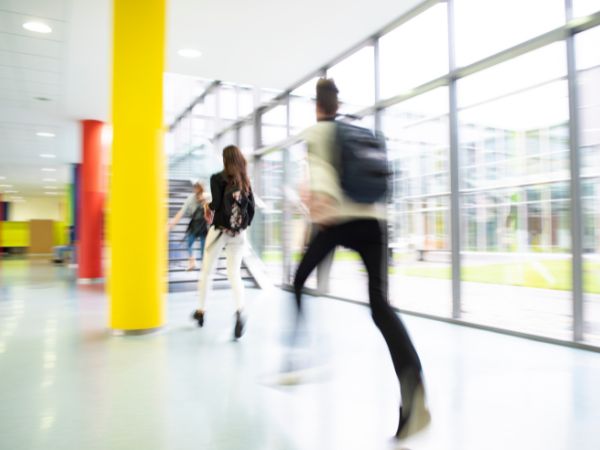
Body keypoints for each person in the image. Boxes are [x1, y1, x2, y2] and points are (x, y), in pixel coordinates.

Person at [292, 78, 430, 440]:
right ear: (337, 103)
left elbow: (318, 187)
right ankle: (414, 392)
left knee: (297, 280)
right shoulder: (358, 131)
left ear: (317, 106)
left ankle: (302, 352)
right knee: (381, 306)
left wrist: (317, 214)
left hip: (339, 221)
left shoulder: (317, 133)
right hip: (376, 222)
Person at [192, 145, 255, 339]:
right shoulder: (245, 180)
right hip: (239, 234)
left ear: (224, 159)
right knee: (234, 273)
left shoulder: (217, 178)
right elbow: (251, 210)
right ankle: (239, 310)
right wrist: (240, 227)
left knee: (207, 272)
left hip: (219, 231)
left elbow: (217, 204)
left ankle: (201, 311)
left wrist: (206, 206)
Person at [168, 181, 208, 271]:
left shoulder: (201, 198)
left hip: (199, 227)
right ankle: (196, 263)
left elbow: (181, 213)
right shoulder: (198, 198)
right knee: (194, 245)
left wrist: (171, 224)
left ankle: (196, 263)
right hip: (198, 226)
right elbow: (181, 213)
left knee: (195, 247)